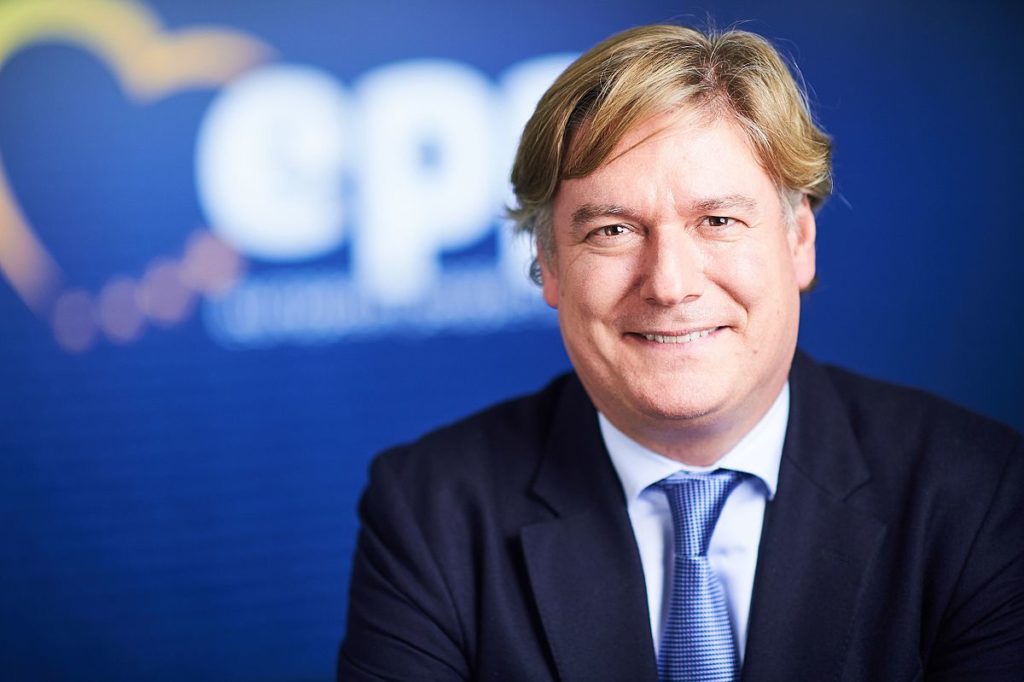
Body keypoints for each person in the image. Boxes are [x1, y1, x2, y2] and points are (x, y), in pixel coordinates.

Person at [338, 23, 1023, 681]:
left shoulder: (980, 496)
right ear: (549, 264)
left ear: (799, 241)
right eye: (613, 230)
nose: (669, 284)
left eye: (718, 220)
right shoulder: (429, 511)